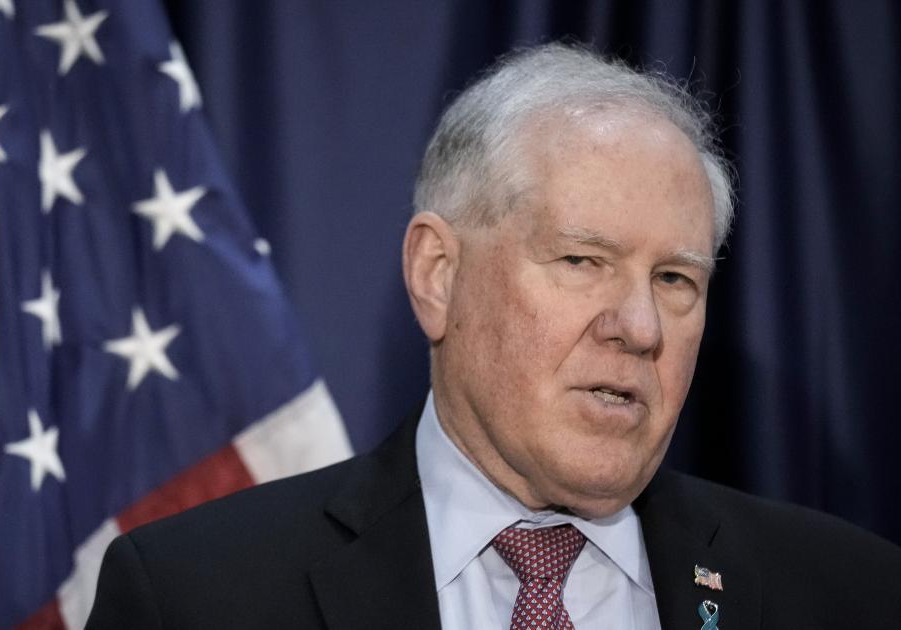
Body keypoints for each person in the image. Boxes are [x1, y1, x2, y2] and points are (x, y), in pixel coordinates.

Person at [85, 43, 901, 629]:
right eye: (583, 261)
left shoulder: (854, 594)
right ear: (438, 275)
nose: (641, 327)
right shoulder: (195, 597)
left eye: (675, 279)